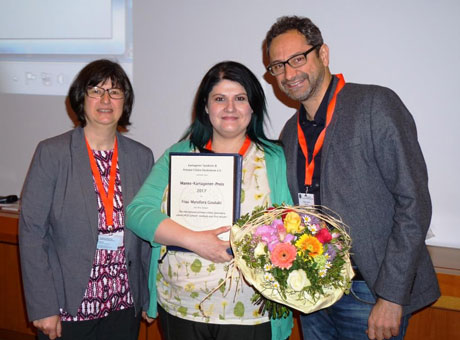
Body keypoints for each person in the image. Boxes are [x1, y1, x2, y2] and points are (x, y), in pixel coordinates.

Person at [264, 16, 440, 340]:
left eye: (297, 59)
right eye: (277, 66)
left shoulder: (376, 105)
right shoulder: (290, 132)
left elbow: (414, 203)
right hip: (314, 293)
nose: (288, 74)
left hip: (370, 292)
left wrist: (391, 296)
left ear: (323, 54)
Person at [126, 61, 293, 340]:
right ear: (206, 107)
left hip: (251, 313)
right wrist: (194, 240)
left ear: (253, 106)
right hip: (182, 307)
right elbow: (137, 213)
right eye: (219, 99)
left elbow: (292, 226)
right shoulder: (178, 155)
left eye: (240, 98)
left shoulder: (274, 159)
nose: (230, 108)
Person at [19, 59, 154, 340]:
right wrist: (42, 306)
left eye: (115, 92)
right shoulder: (52, 153)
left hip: (122, 301)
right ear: (81, 99)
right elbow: (32, 233)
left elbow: (146, 234)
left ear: (125, 101)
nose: (106, 99)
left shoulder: (141, 156)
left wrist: (148, 295)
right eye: (96, 90)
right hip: (68, 305)